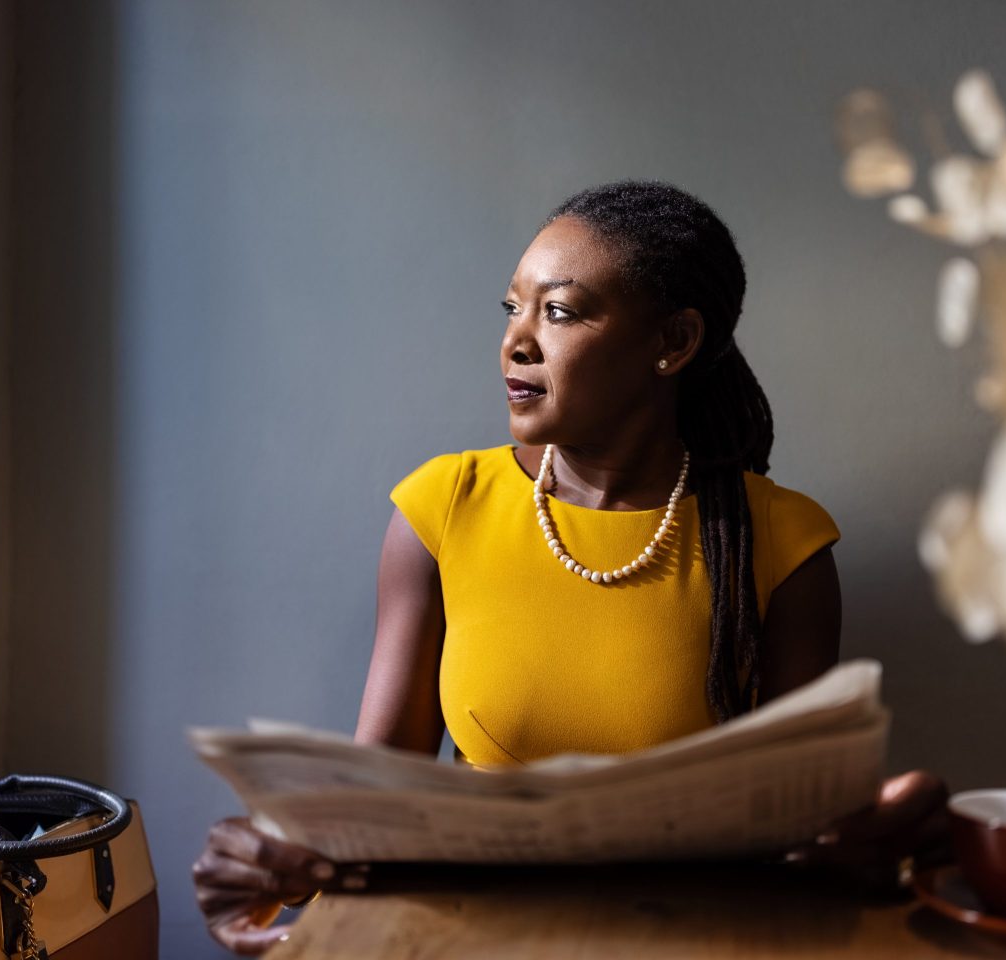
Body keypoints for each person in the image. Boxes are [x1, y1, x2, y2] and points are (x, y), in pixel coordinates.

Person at [192, 181, 948, 954]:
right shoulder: (445, 506)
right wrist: (276, 861)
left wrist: (865, 843)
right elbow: (375, 800)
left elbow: (801, 840)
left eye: (558, 311)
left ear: (674, 343)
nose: (518, 342)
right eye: (512, 309)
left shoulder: (783, 544)